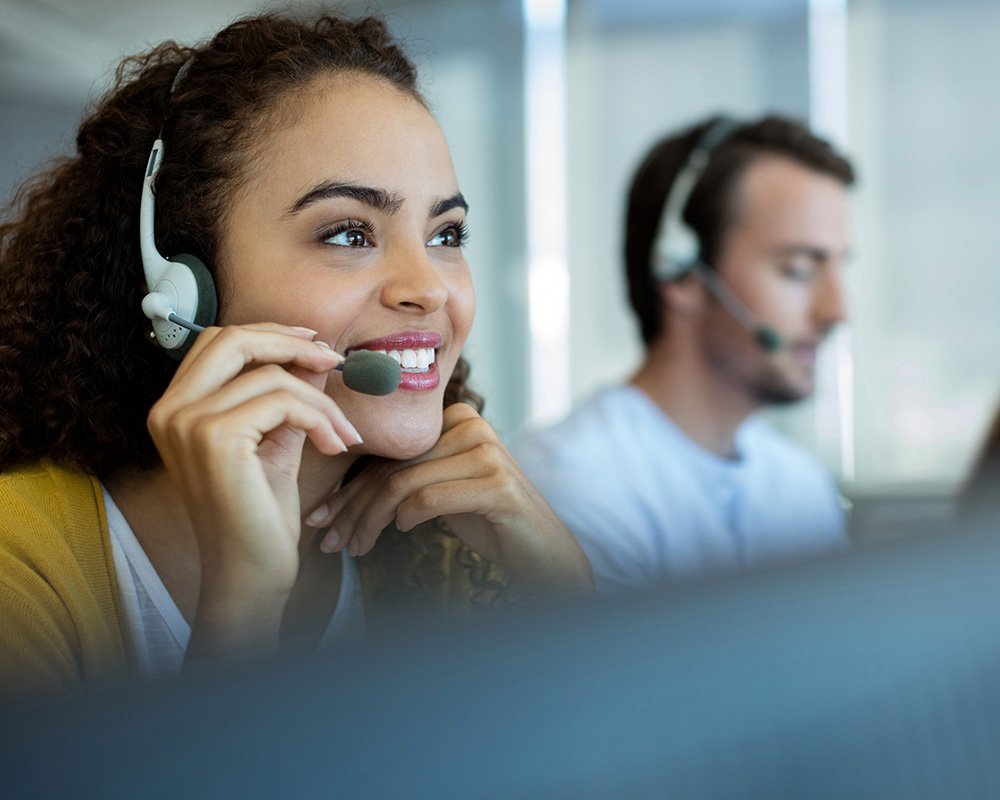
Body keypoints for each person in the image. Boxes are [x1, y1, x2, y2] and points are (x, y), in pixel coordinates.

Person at [0, 11, 591, 699]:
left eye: (446, 234)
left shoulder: (444, 547)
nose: (428, 287)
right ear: (183, 284)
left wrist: (564, 590)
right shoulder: (22, 566)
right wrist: (243, 609)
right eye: (347, 234)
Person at [515, 114, 854, 592]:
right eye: (798, 269)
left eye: (839, 268)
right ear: (682, 275)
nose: (837, 311)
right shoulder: (573, 486)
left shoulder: (800, 486)